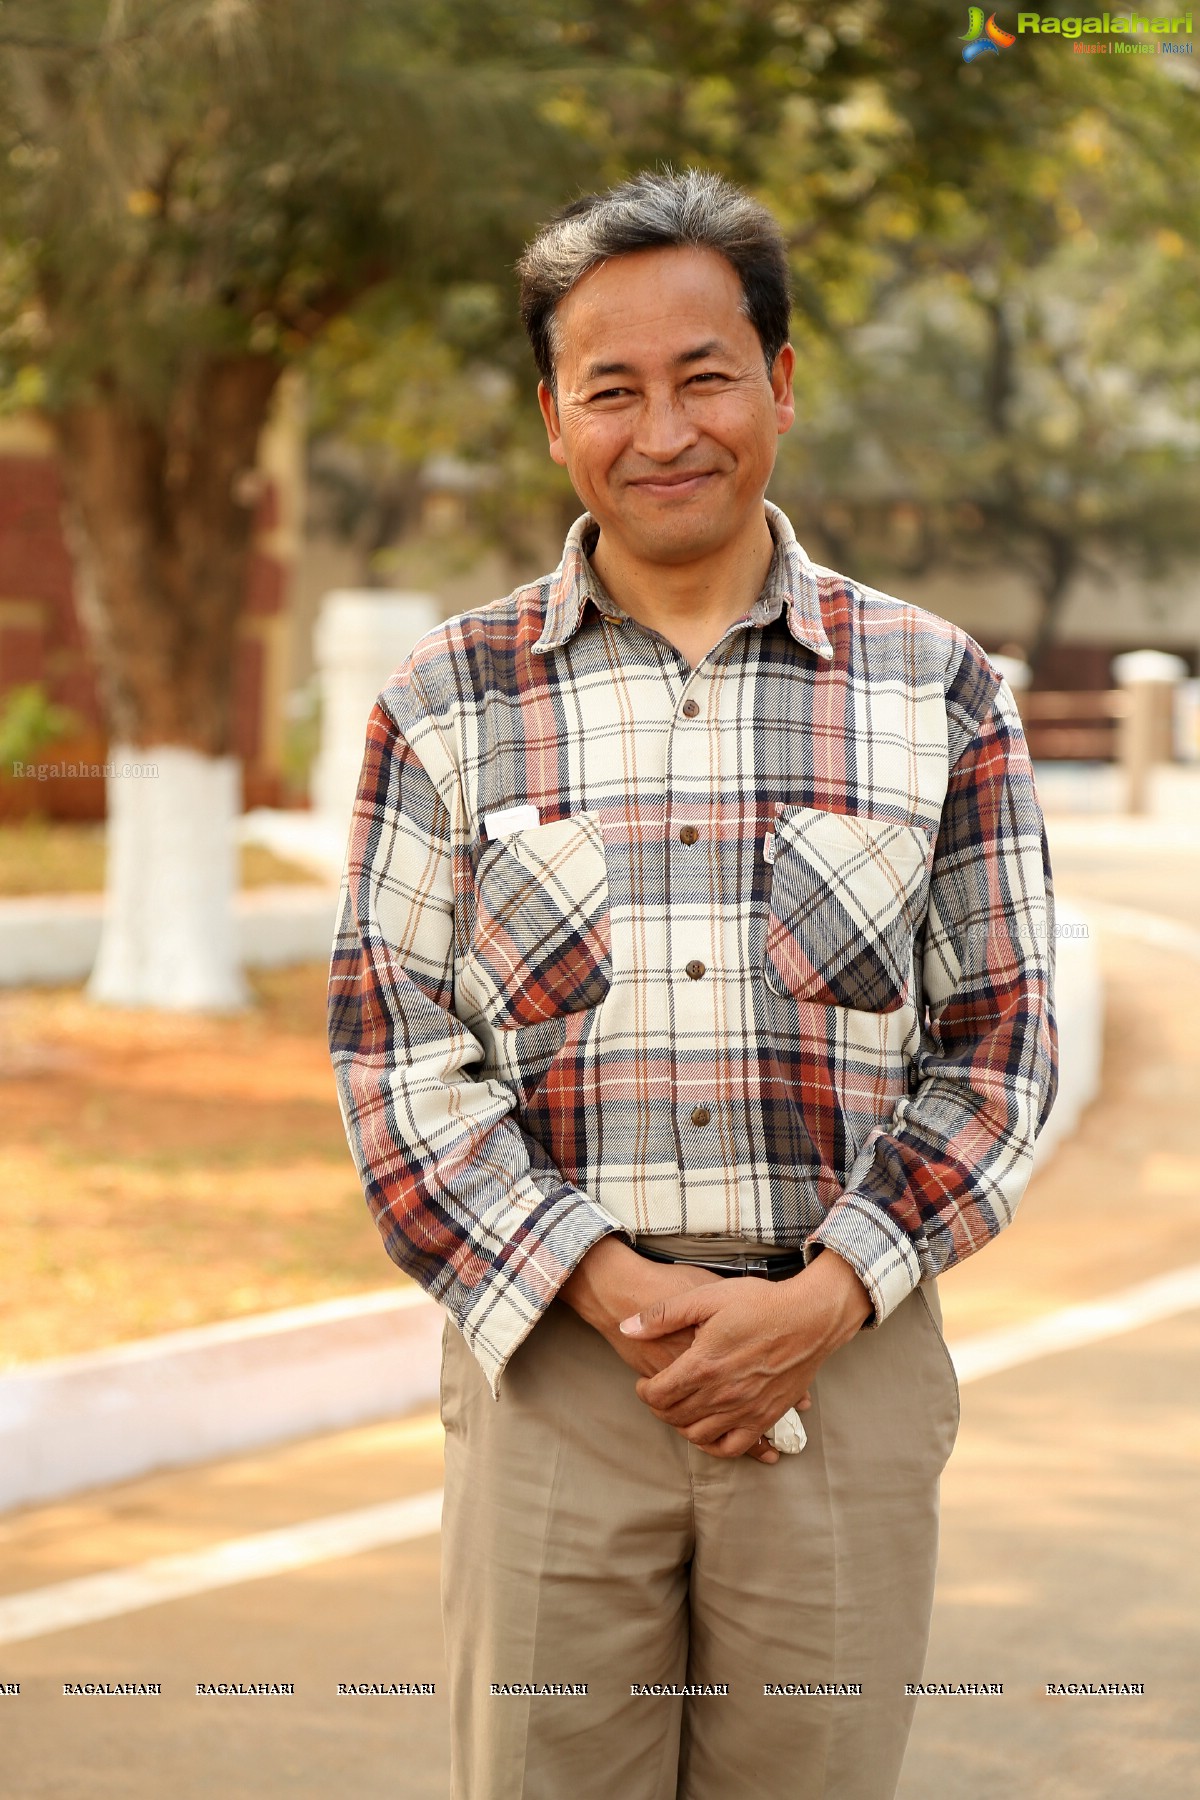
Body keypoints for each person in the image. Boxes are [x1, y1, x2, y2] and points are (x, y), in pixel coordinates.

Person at [328, 168, 1058, 1800]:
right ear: (554, 421)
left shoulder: (937, 686)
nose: (666, 429)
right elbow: (397, 1062)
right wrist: (612, 1291)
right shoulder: (447, 701)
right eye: (614, 389)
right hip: (557, 1376)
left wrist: (822, 1299)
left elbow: (999, 1051)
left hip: (843, 1364)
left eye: (707, 375)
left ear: (782, 387)